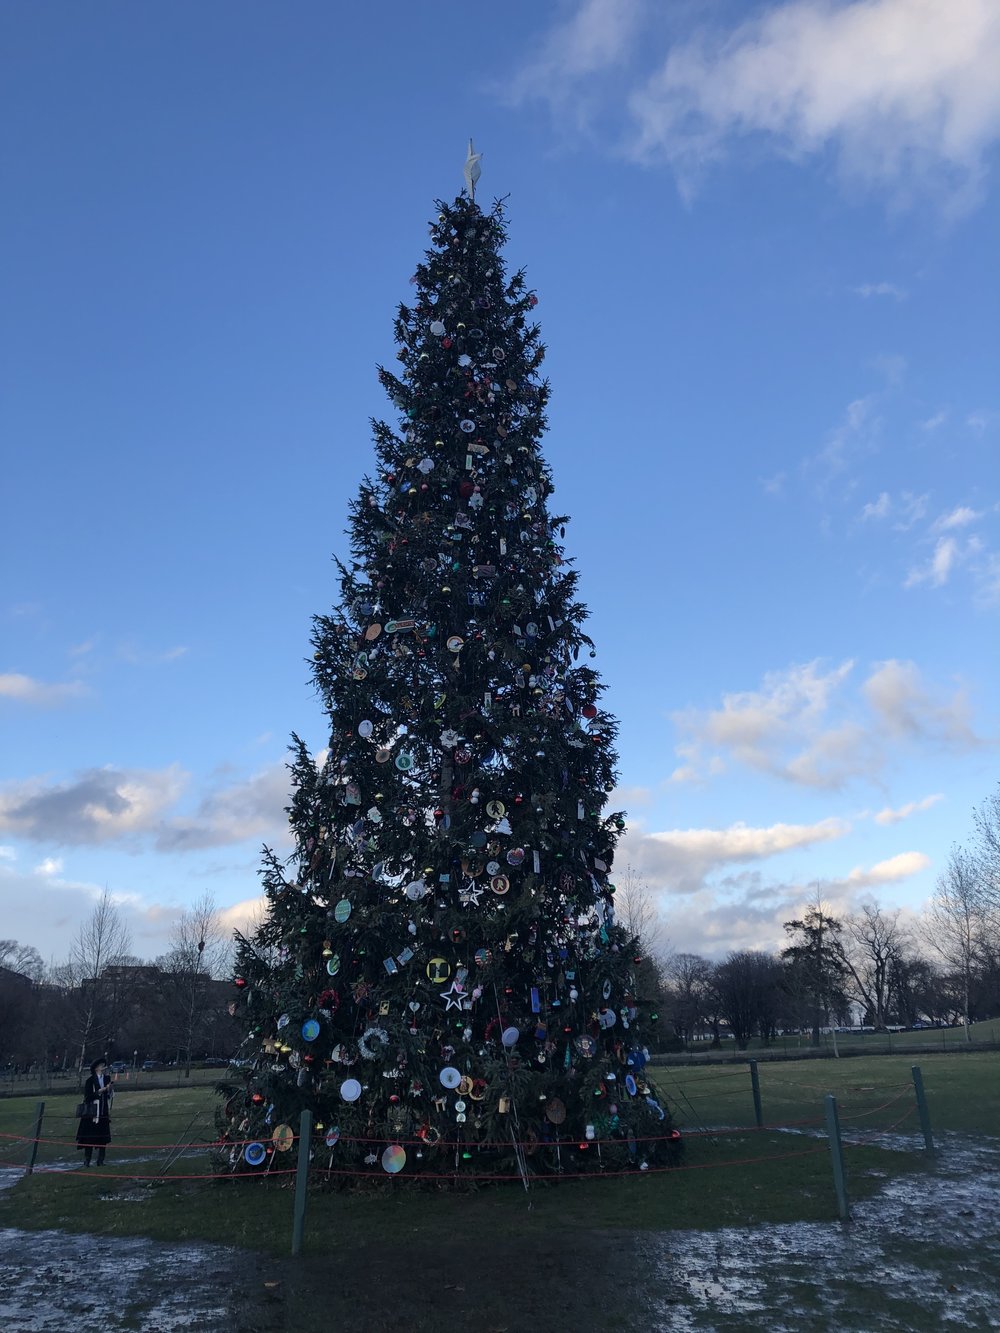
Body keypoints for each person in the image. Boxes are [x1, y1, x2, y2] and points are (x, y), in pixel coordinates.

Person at [76, 1057, 114, 1167]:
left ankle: (100, 1160)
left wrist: (109, 1089)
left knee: (103, 1138)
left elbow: (109, 1096)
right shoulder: (90, 1081)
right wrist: (99, 1091)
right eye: (102, 1066)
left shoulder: (107, 1078)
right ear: (97, 1068)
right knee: (89, 1137)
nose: (104, 1068)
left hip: (103, 1112)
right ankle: (87, 1160)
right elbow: (87, 1097)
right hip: (92, 1113)